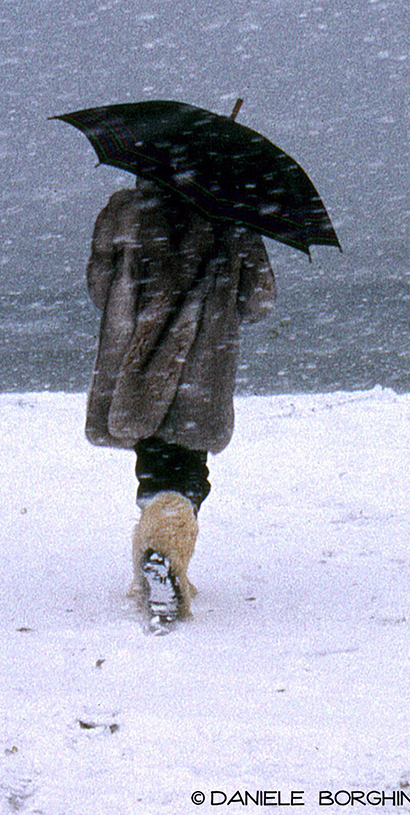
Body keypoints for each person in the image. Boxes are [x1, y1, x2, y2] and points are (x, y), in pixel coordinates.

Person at [84, 179, 275, 621]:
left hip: (136, 366)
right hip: (200, 369)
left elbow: (99, 289)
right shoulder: (230, 216)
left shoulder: (125, 211)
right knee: (190, 472)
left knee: (153, 464)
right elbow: (258, 300)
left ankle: (160, 560)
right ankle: (166, 554)